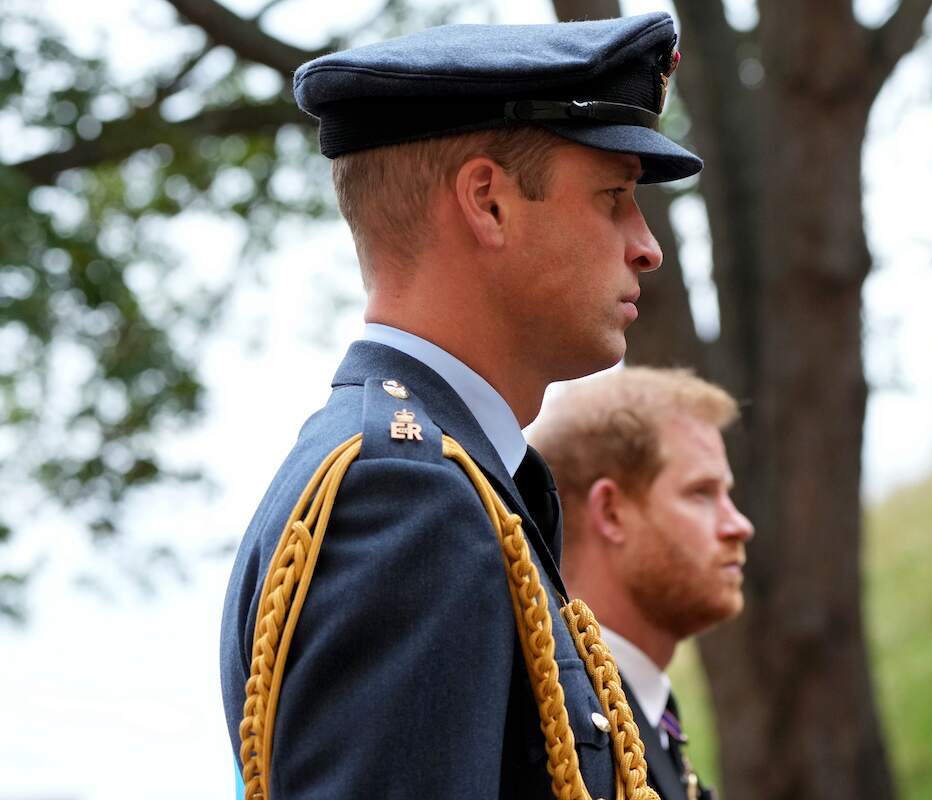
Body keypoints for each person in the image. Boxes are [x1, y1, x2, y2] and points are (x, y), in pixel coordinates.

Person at [218, 13, 702, 799]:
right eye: (613, 197)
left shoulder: (460, 478)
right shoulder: (405, 497)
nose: (646, 245)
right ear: (488, 202)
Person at [528, 367, 755, 800]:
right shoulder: (557, 733)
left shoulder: (641, 709)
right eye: (701, 493)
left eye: (728, 494)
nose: (739, 525)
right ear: (612, 513)